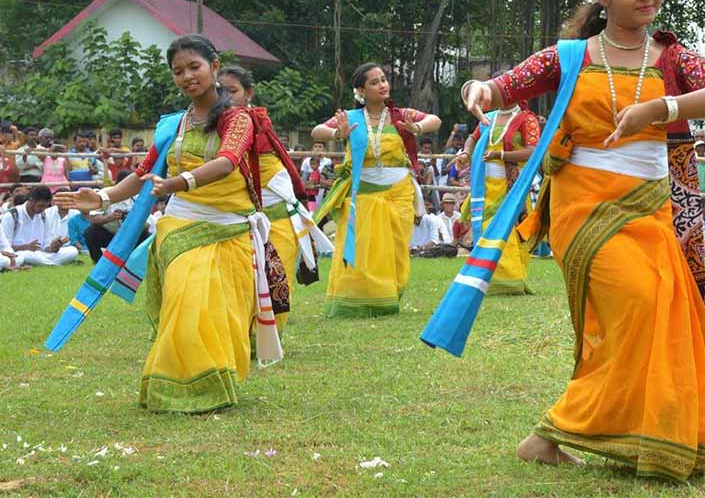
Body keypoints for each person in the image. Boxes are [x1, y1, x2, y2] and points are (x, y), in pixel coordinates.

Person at [452, 0, 705, 480]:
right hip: (584, 211)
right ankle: (563, 429)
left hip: (652, 209)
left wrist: (661, 106)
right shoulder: (570, 58)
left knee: (656, 313)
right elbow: (501, 87)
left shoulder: (672, 57)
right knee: (635, 304)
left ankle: (624, 433)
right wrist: (477, 88)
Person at [55, 34, 287, 413]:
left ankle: (214, 379)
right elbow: (144, 174)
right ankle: (178, 387)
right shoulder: (173, 125)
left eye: (194, 67)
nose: (187, 76)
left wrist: (178, 183)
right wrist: (101, 197)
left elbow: (227, 161)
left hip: (230, 228)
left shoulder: (238, 119)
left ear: (214, 67)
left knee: (220, 312)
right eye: (178, 71)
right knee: (186, 298)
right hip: (181, 225)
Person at [311, 62, 441, 317]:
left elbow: (434, 120)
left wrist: (417, 128)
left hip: (398, 193)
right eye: (374, 82)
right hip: (364, 193)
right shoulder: (352, 117)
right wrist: (338, 132)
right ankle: (360, 299)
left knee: (395, 248)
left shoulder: (399, 115)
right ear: (361, 90)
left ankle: (388, 295)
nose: (382, 85)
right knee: (361, 249)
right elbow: (317, 131)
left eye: (383, 80)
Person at [218, 65, 329, 333]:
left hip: (278, 218)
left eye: (233, 91)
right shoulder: (208, 126)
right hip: (235, 220)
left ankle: (266, 340)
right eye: (220, 92)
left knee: (275, 279)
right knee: (239, 282)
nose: (226, 98)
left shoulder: (256, 123)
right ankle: (239, 337)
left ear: (249, 93)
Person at [454, 97, 540, 294]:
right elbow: (472, 138)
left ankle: (510, 281)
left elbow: (533, 152)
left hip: (512, 187)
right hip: (484, 187)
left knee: (510, 231)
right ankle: (489, 279)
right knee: (486, 229)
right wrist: (466, 153)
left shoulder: (526, 119)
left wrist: (500, 156)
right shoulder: (488, 118)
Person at [0, 185, 79, 266]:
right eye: (40, 206)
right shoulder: (12, 215)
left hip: (40, 255)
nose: (43, 209)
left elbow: (45, 247)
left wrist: (54, 247)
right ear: (31, 200)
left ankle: (41, 263)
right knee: (25, 256)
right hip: (19, 254)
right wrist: (25, 247)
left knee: (72, 251)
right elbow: (5, 248)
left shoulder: (44, 216)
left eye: (45, 206)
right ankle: (51, 264)